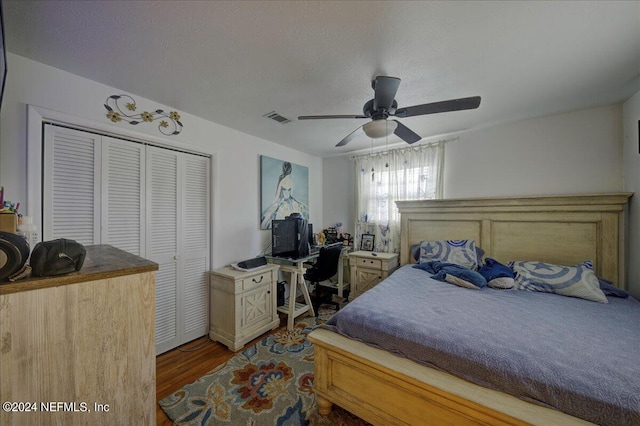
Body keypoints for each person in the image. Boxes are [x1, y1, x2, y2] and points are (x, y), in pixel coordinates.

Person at [261, 162, 309, 229]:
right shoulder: (291, 182)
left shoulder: (281, 181)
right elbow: (291, 195)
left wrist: (272, 205)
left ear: (283, 169)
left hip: (283, 202)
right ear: (291, 170)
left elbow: (277, 196)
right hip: (290, 202)